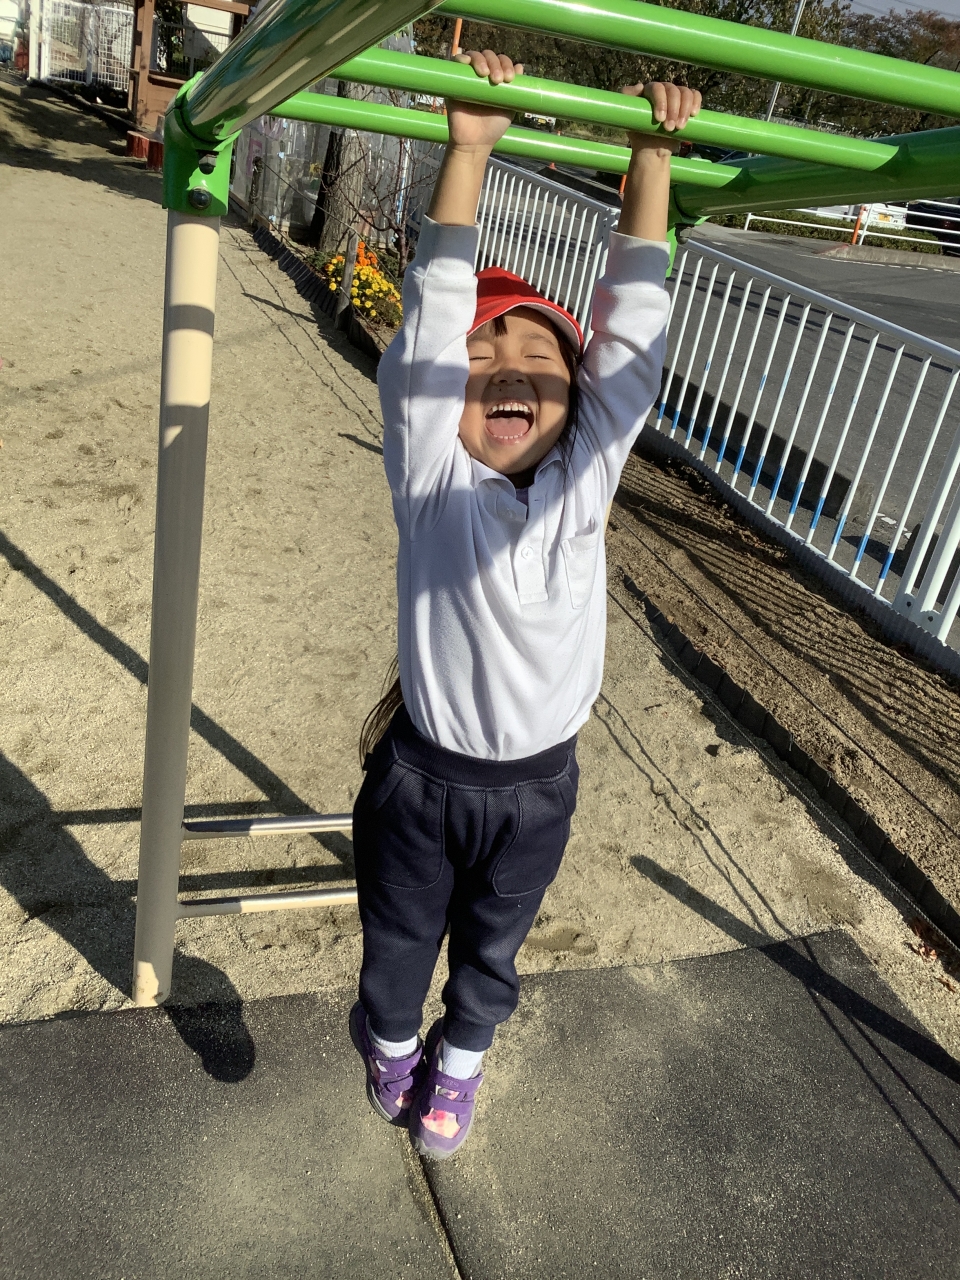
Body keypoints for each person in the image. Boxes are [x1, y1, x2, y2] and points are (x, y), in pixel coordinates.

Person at [349, 48, 701, 1159]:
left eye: (538, 353)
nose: (507, 368)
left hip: (540, 786)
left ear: (575, 398)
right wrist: (468, 152)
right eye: (483, 353)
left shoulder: (584, 484)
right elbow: (430, 328)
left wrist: (652, 166)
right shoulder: (433, 481)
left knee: (495, 945)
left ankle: (459, 1064)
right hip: (422, 780)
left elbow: (631, 348)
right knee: (399, 941)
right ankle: (391, 1043)